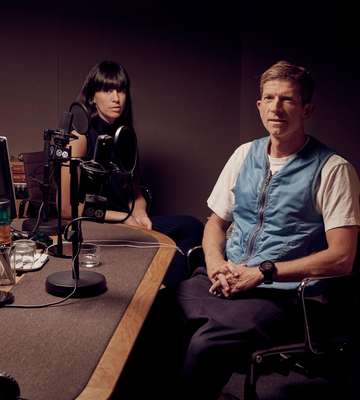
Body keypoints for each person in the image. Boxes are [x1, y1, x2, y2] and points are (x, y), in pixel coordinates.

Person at [176, 60, 360, 399]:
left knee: (205, 345)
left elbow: (342, 257)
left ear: (307, 108)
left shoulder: (334, 170)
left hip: (283, 295)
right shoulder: (244, 154)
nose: (276, 108)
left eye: (287, 99)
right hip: (224, 276)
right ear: (259, 104)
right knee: (154, 319)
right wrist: (216, 263)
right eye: (269, 98)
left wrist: (263, 272)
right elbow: (215, 223)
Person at [62, 60, 203, 287]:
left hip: (126, 221)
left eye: (121, 90)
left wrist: (140, 212)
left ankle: (161, 287)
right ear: (91, 97)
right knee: (176, 246)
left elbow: (133, 188)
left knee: (192, 226)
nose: (116, 98)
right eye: (107, 90)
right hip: (96, 225)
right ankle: (165, 286)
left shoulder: (124, 135)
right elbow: (66, 209)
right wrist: (125, 218)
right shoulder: (79, 138)